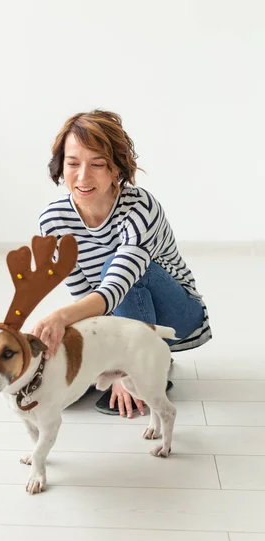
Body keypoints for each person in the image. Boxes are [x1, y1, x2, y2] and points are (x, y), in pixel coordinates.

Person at [31, 110, 211, 419]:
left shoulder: (140, 206)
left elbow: (115, 287)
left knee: (117, 265)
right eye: (73, 163)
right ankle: (128, 360)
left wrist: (61, 319)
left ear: (117, 170)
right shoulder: (53, 219)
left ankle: (143, 361)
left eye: (98, 164)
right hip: (118, 317)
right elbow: (82, 295)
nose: (83, 176)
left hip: (178, 315)